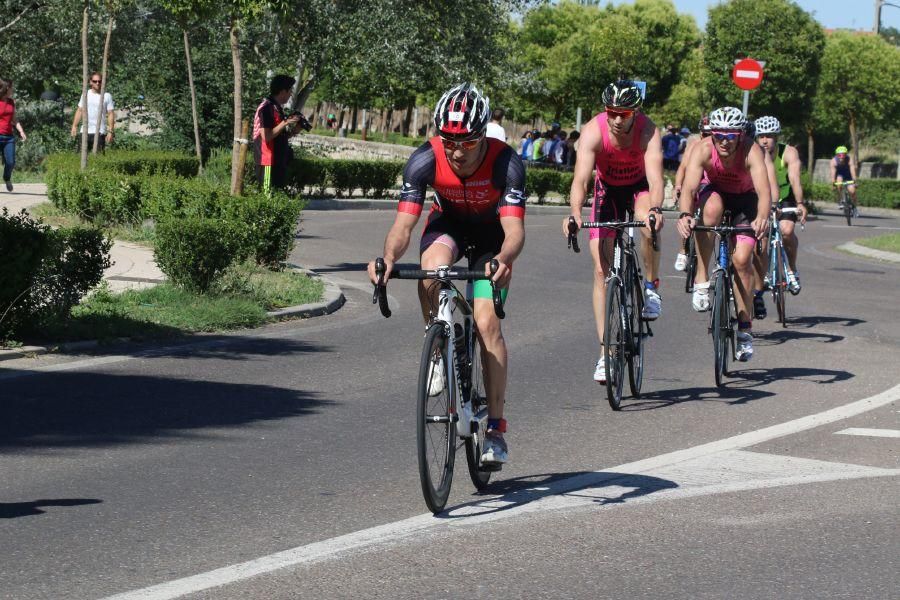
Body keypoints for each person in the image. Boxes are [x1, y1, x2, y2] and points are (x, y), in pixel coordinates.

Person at [366, 83, 526, 466]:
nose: (456, 151)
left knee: (487, 324)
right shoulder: (425, 160)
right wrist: (387, 257)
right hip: (448, 225)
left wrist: (503, 259)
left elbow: (515, 232)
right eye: (448, 140)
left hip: (493, 238)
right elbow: (404, 226)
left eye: (467, 142)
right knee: (430, 269)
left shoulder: (507, 163)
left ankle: (496, 430)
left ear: (483, 133)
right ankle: (437, 345)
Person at [565, 80, 665, 383]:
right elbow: (581, 179)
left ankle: (650, 286)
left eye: (624, 113)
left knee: (647, 222)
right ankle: (606, 353)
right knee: (601, 271)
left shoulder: (648, 131)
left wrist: (656, 210)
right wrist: (574, 213)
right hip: (607, 190)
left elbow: (656, 177)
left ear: (636, 112)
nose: (617, 120)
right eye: (612, 112)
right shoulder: (594, 131)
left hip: (638, 189)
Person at [676, 107, 772, 362]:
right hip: (716, 192)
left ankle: (744, 330)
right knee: (709, 211)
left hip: (746, 201)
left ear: (740, 135)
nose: (724, 141)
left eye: (730, 136)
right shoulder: (703, 149)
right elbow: (689, 188)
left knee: (742, 260)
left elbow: (764, 193)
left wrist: (763, 216)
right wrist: (685, 214)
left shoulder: (752, 150)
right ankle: (701, 278)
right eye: (719, 135)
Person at [754, 116, 806, 297]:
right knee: (761, 239)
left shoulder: (788, 152)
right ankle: (763, 275)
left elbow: (795, 179)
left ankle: (792, 270)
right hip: (761, 199)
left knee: (786, 230)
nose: (764, 140)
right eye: (760, 136)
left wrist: (800, 204)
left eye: (769, 136)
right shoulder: (753, 153)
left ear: (776, 137)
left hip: (785, 199)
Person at [252, 74, 307, 194]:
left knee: (277, 195)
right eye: (290, 91)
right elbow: (266, 137)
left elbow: (279, 136)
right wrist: (286, 122)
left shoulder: (277, 108)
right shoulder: (266, 108)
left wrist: (294, 131)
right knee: (267, 197)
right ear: (283, 91)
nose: (291, 94)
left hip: (278, 160)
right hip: (267, 160)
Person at [70, 72, 114, 151]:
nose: (97, 83)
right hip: (85, 131)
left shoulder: (107, 95)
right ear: (90, 82)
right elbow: (80, 110)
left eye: (99, 81)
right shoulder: (85, 94)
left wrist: (110, 131)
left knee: (98, 158)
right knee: (80, 157)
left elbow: (110, 114)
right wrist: (74, 126)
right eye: (95, 81)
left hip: (99, 132)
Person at [0, 79, 27, 192]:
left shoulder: (11, 102)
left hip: (8, 137)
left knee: (11, 162)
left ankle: (7, 178)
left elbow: (14, 119)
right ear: (6, 88)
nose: (13, 90)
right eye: (11, 88)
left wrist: (21, 131)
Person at [831, 145, 858, 215]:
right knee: (839, 182)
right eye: (839, 155)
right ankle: (840, 199)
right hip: (839, 174)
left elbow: (852, 170)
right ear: (837, 155)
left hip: (848, 175)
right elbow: (833, 173)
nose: (841, 157)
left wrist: (855, 180)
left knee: (852, 191)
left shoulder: (849, 159)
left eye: (843, 155)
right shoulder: (833, 161)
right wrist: (833, 183)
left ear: (846, 155)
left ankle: (854, 207)